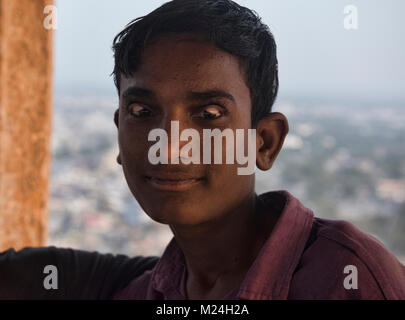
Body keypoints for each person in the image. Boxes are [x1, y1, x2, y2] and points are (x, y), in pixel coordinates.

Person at [1, 0, 405, 300]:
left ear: (264, 142)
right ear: (120, 135)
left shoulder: (344, 277)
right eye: (142, 111)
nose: (171, 145)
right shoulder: (156, 288)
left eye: (209, 114)